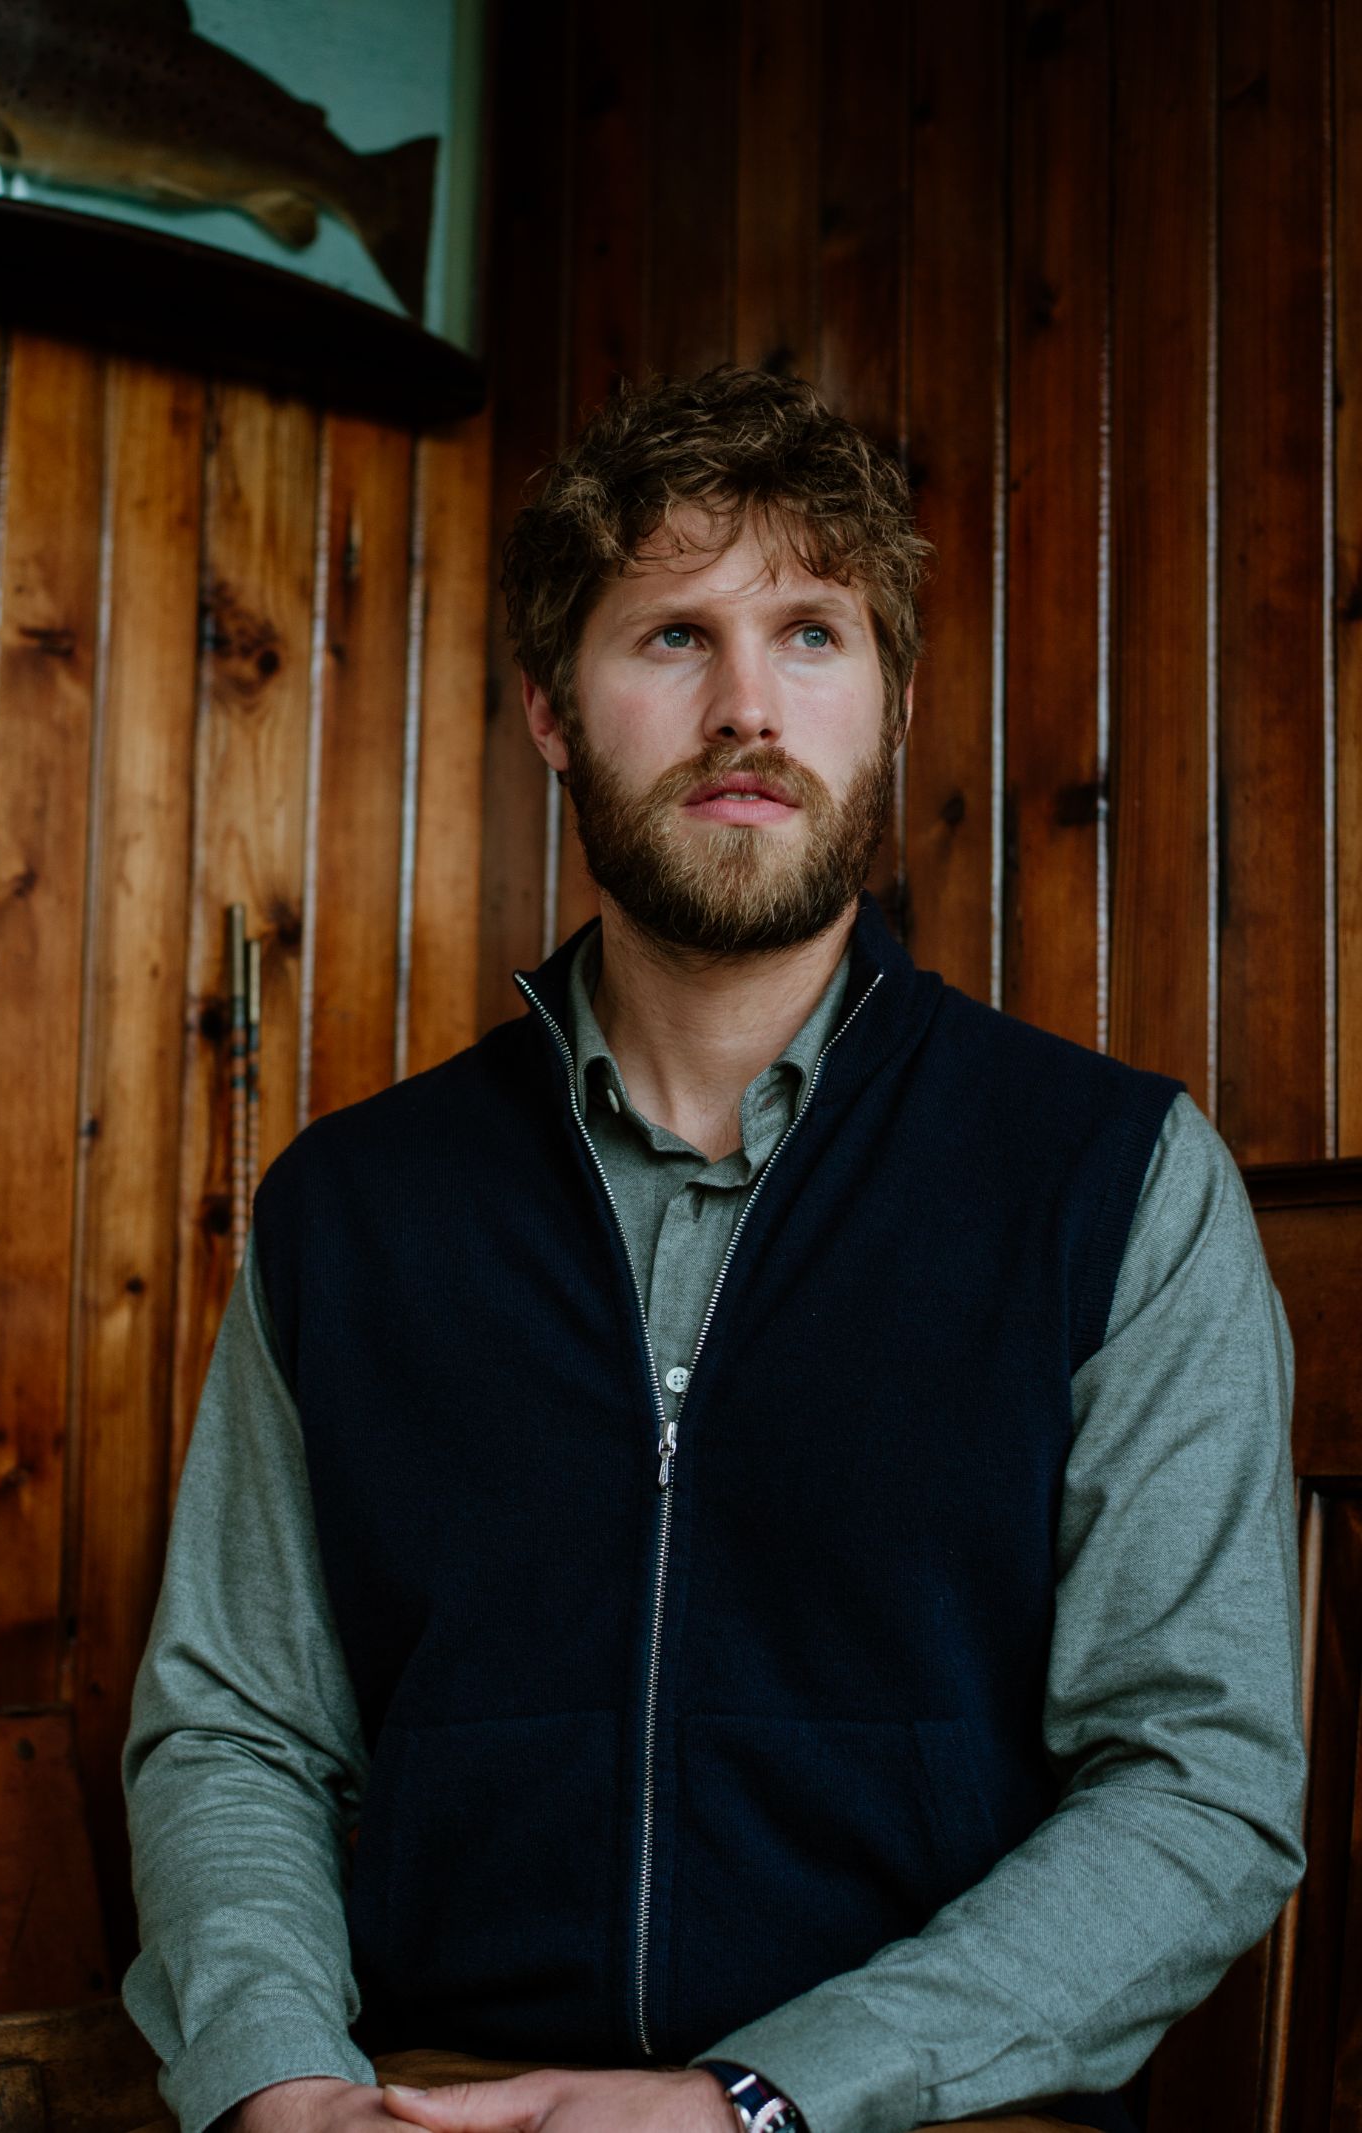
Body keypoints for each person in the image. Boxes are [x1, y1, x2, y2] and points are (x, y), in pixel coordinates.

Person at [120, 368, 1306, 2133]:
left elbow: (1200, 1782)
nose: (748, 705)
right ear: (548, 706)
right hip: (437, 2106)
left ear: (889, 703)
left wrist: (760, 2099)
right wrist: (281, 2084)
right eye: (673, 636)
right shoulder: (353, 1212)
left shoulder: (1113, 1178)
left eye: (813, 634)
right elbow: (233, 1728)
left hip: (929, 2116)